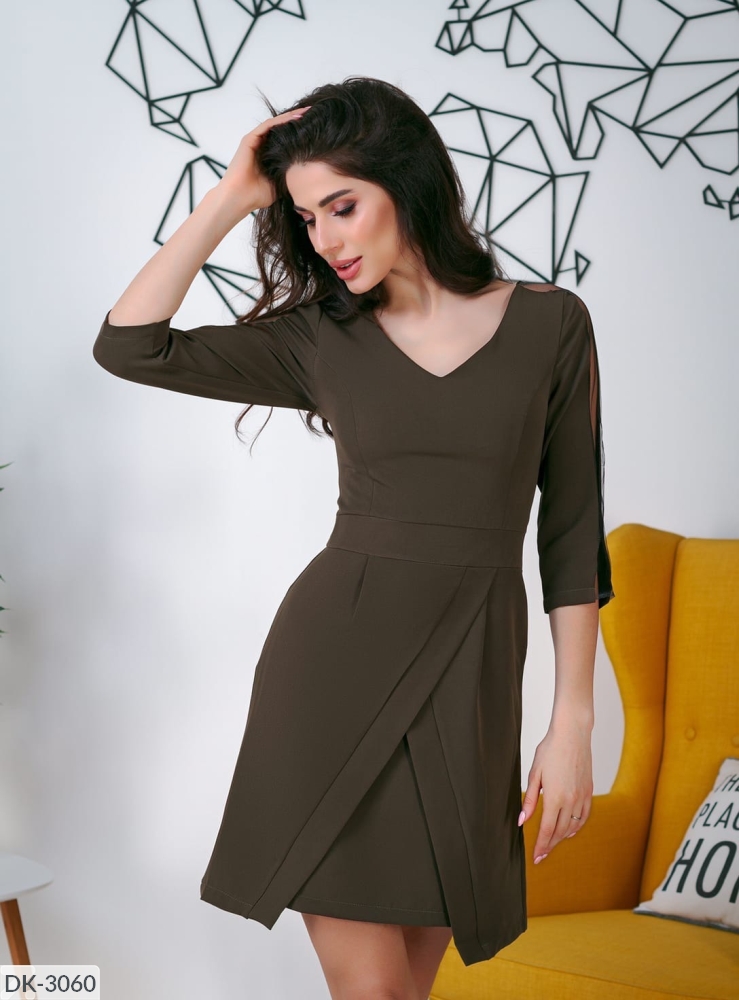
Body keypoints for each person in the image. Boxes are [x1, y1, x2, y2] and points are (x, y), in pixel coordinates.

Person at [92, 76, 615, 1000]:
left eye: (342, 206)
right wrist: (232, 196)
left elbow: (571, 536)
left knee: (406, 990)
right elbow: (130, 345)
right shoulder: (320, 337)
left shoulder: (552, 325)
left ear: (406, 183)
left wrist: (571, 720)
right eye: (305, 218)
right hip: (331, 675)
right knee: (371, 993)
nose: (325, 240)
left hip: (471, 682)